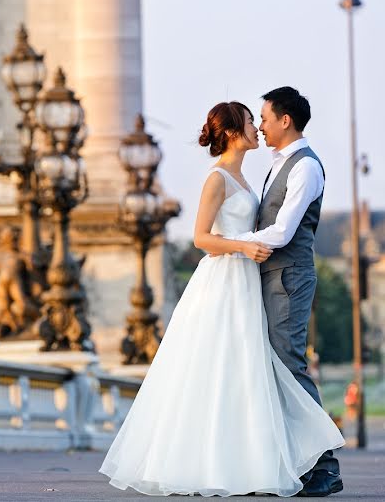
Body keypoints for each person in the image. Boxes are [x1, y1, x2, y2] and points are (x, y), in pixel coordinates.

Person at [99, 96, 344, 497]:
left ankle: (286, 463)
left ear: (285, 120)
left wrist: (245, 247)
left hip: (254, 280)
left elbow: (279, 232)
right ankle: (261, 463)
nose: (258, 127)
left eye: (261, 119)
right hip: (229, 278)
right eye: (251, 121)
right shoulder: (220, 178)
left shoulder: (265, 174)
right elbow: (201, 238)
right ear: (232, 132)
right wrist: (245, 248)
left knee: (253, 370)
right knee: (231, 368)